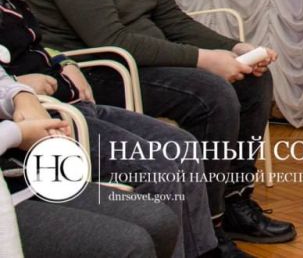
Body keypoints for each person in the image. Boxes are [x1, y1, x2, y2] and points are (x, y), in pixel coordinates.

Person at [23, 0, 296, 252]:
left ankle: (236, 201)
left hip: (145, 62)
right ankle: (211, 225)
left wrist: (233, 48)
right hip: (102, 73)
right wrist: (205, 61)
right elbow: (114, 41)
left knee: (254, 80)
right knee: (214, 94)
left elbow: (172, 19)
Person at [0, 0, 223, 257]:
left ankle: (205, 249)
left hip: (81, 103)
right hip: (61, 123)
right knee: (158, 164)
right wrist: (24, 85)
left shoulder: (14, 4)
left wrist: (62, 62)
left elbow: (41, 47)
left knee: (182, 145)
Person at [0, 64, 179, 257]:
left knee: (160, 221)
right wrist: (17, 134)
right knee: (131, 244)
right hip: (19, 148)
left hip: (16, 169)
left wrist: (21, 95)